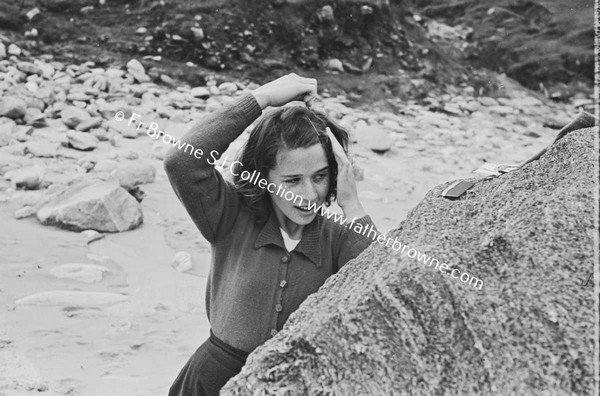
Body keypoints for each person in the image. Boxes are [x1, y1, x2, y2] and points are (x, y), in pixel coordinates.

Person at [163, 73, 378, 395]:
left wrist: (352, 203)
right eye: (292, 181)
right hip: (209, 382)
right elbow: (182, 161)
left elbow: (380, 287)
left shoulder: (341, 238)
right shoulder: (230, 217)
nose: (309, 194)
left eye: (320, 176)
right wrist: (260, 99)